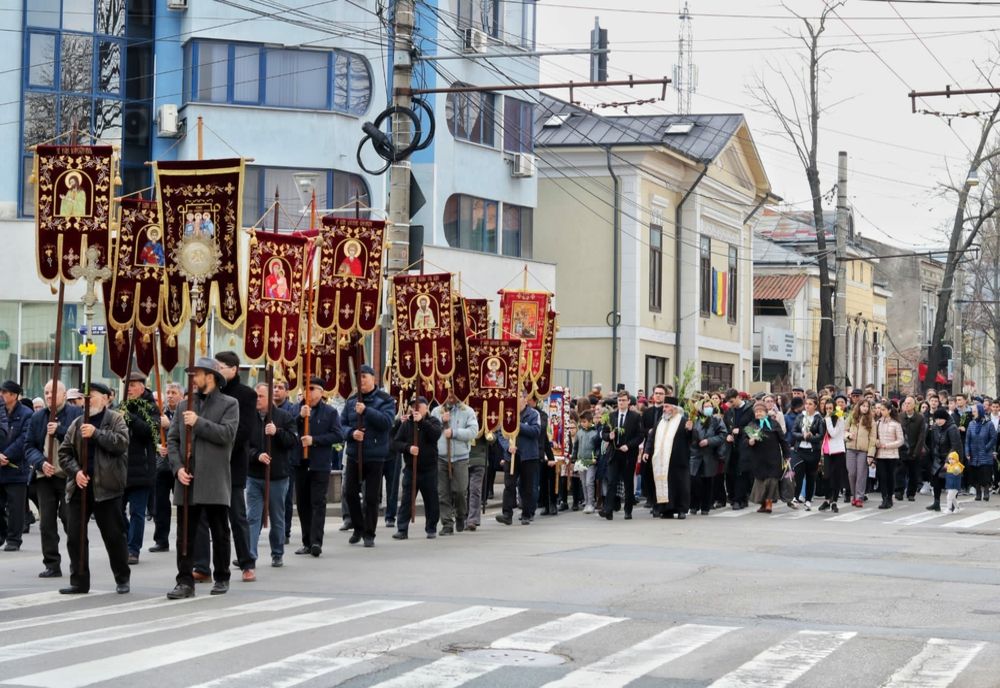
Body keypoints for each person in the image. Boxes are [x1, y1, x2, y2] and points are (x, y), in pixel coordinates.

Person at [166, 357, 239, 599]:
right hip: (187, 478)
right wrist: (177, 468)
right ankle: (185, 581)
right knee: (185, 535)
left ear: (210, 376)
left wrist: (198, 422)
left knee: (219, 532)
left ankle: (222, 576)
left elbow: (226, 434)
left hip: (214, 478)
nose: (193, 379)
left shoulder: (230, 404)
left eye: (197, 374)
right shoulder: (184, 405)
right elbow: (173, 439)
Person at [57, 383, 130, 594]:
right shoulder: (77, 423)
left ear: (106, 398)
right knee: (75, 537)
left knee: (113, 536)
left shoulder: (115, 419)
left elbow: (121, 444)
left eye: (93, 396)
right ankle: (79, 581)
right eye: (85, 397)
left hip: (107, 487)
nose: (87, 401)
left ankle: (122, 578)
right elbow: (64, 453)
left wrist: (96, 433)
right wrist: (76, 472)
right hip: (81, 487)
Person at [208, 351, 258, 581]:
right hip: (210, 463)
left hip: (233, 462)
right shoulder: (211, 392)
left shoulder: (246, 394)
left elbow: (245, 430)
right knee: (210, 518)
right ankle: (205, 565)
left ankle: (247, 562)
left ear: (234, 369)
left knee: (237, 516)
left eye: (220, 367)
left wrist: (222, 450)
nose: (216, 371)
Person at [25, 381, 81, 577]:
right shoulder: (37, 417)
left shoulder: (75, 414)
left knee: (69, 519)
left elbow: (79, 441)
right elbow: (29, 446)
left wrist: (59, 430)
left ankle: (77, 561)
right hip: (45, 476)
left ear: (64, 395)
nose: (49, 396)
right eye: (46, 392)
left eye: (54, 392)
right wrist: (40, 463)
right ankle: (52, 564)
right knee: (46, 523)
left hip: (67, 475)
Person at [341, 364, 396, 547]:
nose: (361, 380)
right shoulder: (351, 401)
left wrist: (366, 411)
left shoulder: (385, 399)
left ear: (373, 378)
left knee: (371, 497)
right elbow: (341, 425)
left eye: (365, 376)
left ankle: (369, 533)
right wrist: (351, 433)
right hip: (354, 454)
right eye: (359, 377)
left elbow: (387, 422)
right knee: (350, 493)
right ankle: (358, 527)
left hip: (375, 454)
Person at [246, 383, 297, 568]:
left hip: (277, 476)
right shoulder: (248, 417)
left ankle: (277, 552)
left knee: (277, 517)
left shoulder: (284, 417)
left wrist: (277, 432)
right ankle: (250, 555)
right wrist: (256, 455)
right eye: (256, 396)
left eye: (260, 396)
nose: (257, 400)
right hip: (254, 476)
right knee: (253, 517)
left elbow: (292, 441)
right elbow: (242, 445)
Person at [293, 376, 344, 557]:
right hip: (301, 462)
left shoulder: (330, 412)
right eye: (306, 388)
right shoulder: (297, 409)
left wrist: (314, 440)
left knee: (318, 503)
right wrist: (300, 417)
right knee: (303, 504)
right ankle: (306, 541)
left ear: (321, 392)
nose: (308, 392)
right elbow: (289, 428)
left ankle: (316, 541)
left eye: (312, 388)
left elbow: (338, 435)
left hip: (319, 464)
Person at [392, 397, 443, 539]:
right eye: (413, 406)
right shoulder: (407, 424)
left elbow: (435, 435)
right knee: (406, 500)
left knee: (431, 499)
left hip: (429, 469)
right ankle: (402, 529)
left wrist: (422, 422)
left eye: (418, 406)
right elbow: (396, 443)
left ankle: (431, 527)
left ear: (426, 407)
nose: (415, 409)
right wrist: (408, 448)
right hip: (411, 469)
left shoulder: (433, 421)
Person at [120, 373, 158, 565]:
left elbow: (151, 430)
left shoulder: (150, 407)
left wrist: (130, 418)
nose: (129, 389)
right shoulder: (121, 406)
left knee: (137, 512)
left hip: (142, 468)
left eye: (132, 385)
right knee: (116, 511)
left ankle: (133, 549)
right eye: (127, 386)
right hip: (121, 469)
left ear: (142, 387)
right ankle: (128, 537)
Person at [432, 391, 479, 536]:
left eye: (453, 393)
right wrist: (441, 421)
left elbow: (473, 431)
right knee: (443, 493)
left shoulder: (468, 411)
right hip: (441, 457)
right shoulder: (436, 411)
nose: (450, 397)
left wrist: (454, 433)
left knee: (460, 491)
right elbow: (430, 429)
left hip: (460, 457)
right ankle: (447, 523)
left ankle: (460, 514)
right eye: (448, 394)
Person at [495, 392, 542, 526]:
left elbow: (536, 431)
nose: (517, 399)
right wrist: (508, 447)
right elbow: (501, 433)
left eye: (520, 397)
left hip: (528, 456)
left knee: (527, 486)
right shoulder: (508, 413)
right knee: (509, 485)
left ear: (525, 399)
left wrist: (518, 426)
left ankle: (526, 514)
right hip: (512, 455)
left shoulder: (533, 414)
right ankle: (507, 514)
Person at [644, 394, 693, 519]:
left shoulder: (683, 421)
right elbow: (651, 437)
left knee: (680, 486)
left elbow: (692, 438)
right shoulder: (660, 421)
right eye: (664, 407)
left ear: (674, 408)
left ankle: (681, 510)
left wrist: (690, 430)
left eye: (666, 407)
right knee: (665, 485)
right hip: (661, 461)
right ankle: (666, 510)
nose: (664, 409)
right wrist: (647, 451)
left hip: (678, 461)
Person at [0, 380, 32, 551]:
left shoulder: (27, 414)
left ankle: (13, 539)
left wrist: (7, 455)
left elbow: (25, 439)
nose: (1, 395)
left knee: (16, 507)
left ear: (14, 395)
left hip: (16, 467)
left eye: (4, 392)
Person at [600, 391, 643, 520]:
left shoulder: (635, 416)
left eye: (624, 400)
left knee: (628, 482)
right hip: (614, 453)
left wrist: (628, 446)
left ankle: (628, 510)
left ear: (628, 401)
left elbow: (640, 436)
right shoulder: (611, 416)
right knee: (612, 481)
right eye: (619, 400)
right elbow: (604, 433)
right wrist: (609, 436)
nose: (621, 403)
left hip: (628, 454)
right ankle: (608, 509)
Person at [151, 382, 183, 553]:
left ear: (181, 395)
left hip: (179, 466)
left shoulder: (185, 412)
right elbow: (150, 435)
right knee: (161, 505)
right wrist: (158, 446)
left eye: (174, 392)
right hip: (162, 465)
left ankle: (182, 540)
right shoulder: (158, 413)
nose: (170, 395)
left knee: (182, 505)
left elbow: (185, 435)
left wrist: (169, 425)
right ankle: (161, 540)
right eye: (168, 392)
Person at [745, 402, 790, 514]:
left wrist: (787, 455)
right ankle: (763, 504)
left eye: (760, 411)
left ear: (766, 412)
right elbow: (745, 440)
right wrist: (750, 441)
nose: (758, 413)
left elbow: (783, 440)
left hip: (773, 458)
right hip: (758, 458)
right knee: (761, 481)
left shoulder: (774, 424)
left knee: (771, 481)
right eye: (756, 412)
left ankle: (769, 503)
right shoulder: (752, 424)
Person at [689, 398, 727, 515]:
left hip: (709, 455)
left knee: (708, 481)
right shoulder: (694, 420)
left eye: (709, 406)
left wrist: (709, 441)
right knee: (694, 481)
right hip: (695, 455)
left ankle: (706, 506)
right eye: (705, 406)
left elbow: (722, 435)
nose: (708, 408)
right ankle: (694, 505)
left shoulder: (716, 420)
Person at [723, 389, 754, 510]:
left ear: (738, 397)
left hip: (745, 446)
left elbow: (755, 428)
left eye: (732, 401)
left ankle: (739, 499)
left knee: (742, 473)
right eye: (728, 402)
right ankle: (735, 498)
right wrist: (727, 435)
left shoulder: (749, 410)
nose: (730, 404)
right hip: (731, 447)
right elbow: (725, 427)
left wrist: (741, 430)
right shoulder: (729, 412)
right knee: (731, 473)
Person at [791, 396, 823, 510]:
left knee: (810, 475)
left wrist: (810, 437)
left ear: (815, 406)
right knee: (798, 472)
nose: (807, 406)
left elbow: (820, 435)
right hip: (799, 450)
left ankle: (808, 500)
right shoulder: (800, 416)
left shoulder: (819, 418)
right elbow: (794, 431)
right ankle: (795, 498)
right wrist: (802, 436)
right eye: (806, 404)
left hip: (813, 451)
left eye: (810, 404)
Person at [873, 401, 905, 509]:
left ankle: (890, 498)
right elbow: (873, 437)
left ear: (889, 410)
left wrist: (887, 445)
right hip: (880, 454)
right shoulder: (877, 423)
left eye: (883, 409)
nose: (880, 411)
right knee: (882, 477)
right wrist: (876, 442)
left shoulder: (896, 424)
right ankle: (884, 498)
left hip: (892, 455)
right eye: (880, 409)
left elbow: (901, 440)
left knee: (890, 477)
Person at [845, 398, 876, 508]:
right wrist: (848, 436)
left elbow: (872, 438)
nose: (865, 408)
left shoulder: (871, 421)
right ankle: (853, 495)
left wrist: (871, 454)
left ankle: (859, 497)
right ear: (859, 406)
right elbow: (844, 431)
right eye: (863, 406)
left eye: (867, 406)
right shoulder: (851, 417)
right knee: (851, 473)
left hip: (863, 450)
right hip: (851, 449)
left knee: (861, 474)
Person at [819, 397, 847, 513]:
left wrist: (828, 419)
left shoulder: (840, 418)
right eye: (826, 408)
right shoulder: (824, 419)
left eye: (830, 408)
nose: (828, 410)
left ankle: (834, 501)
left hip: (837, 451)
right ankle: (827, 499)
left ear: (834, 408)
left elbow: (833, 433)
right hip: (826, 451)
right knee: (826, 477)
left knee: (836, 477)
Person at [897, 396, 927, 503]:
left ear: (914, 405)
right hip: (902, 449)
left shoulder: (920, 418)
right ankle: (899, 491)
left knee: (913, 473)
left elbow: (921, 436)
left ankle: (911, 493)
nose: (907, 405)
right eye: (905, 403)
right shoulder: (900, 416)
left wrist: (916, 452)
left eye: (909, 403)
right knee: (900, 472)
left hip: (915, 449)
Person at [964, 402, 996, 502]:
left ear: (980, 412)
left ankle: (986, 492)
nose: (973, 413)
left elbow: (993, 438)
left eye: (975, 411)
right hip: (973, 453)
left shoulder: (989, 424)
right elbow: (967, 440)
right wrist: (967, 452)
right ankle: (978, 493)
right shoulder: (971, 424)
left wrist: (986, 448)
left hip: (985, 453)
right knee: (975, 475)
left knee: (985, 474)